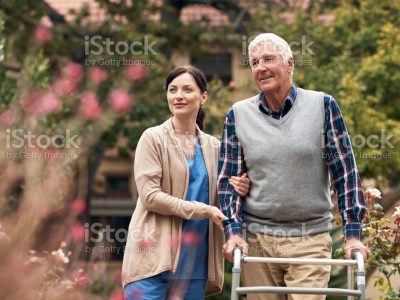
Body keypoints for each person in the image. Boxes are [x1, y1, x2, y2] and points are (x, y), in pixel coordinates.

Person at [217, 33, 369, 300]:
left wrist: (352, 235)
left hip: (309, 237)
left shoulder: (322, 106)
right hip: (257, 241)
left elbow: (345, 172)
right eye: (254, 62)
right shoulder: (238, 115)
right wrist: (234, 233)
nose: (260, 67)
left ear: (290, 64)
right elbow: (228, 182)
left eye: (268, 59)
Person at [122, 65, 250, 299]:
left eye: (187, 89)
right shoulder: (153, 138)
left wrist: (241, 187)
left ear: (203, 97)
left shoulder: (215, 147)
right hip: (152, 260)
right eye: (172, 90)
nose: (178, 96)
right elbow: (150, 197)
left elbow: (225, 196)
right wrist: (204, 210)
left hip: (194, 266)